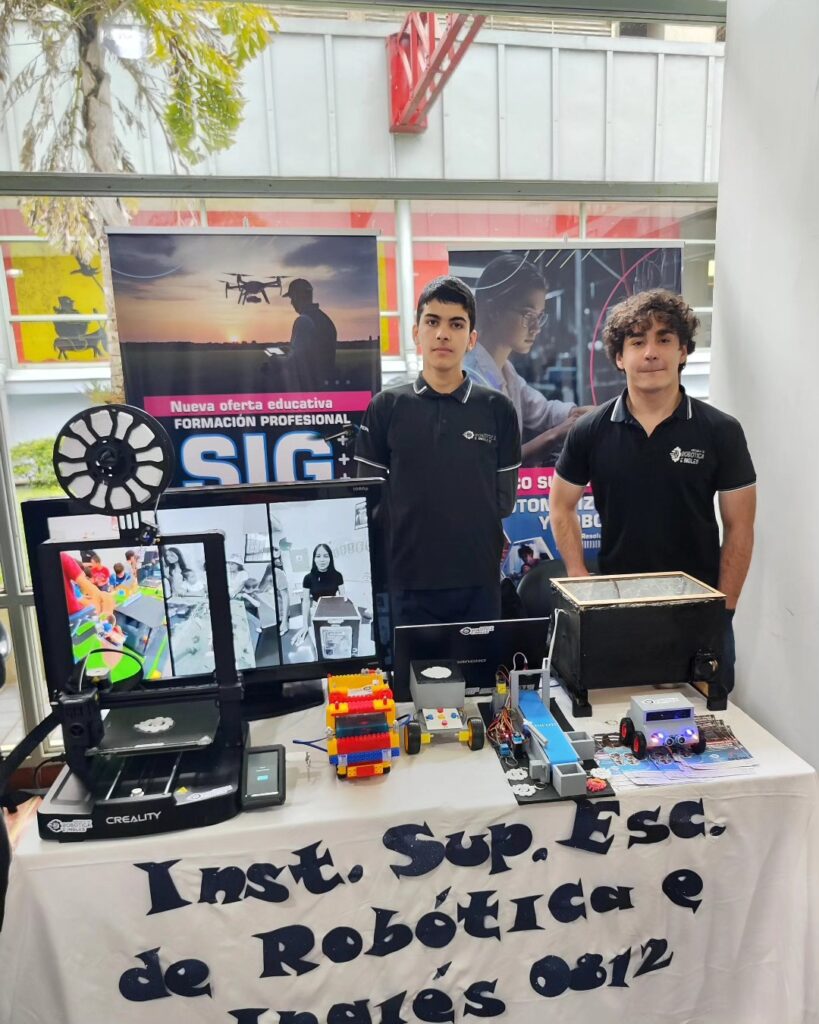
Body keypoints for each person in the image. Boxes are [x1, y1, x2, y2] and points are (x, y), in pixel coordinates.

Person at [550, 289, 756, 693]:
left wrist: (723, 609)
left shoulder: (721, 431)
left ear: (683, 351)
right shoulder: (590, 431)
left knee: (707, 722)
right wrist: (580, 578)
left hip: (698, 613)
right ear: (619, 356)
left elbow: (741, 527)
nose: (650, 353)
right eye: (637, 342)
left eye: (664, 339)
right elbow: (561, 507)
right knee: (618, 717)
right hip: (618, 612)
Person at [355, 275, 521, 627]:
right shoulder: (385, 408)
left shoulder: (498, 409)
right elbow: (369, 503)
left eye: (456, 324)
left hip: (478, 584)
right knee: (409, 667)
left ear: (472, 339)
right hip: (405, 585)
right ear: (416, 333)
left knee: (480, 666)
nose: (443, 334)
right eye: (432, 322)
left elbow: (503, 501)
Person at [465, 255, 593, 465]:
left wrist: (577, 413)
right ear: (493, 310)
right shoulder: (470, 379)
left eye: (539, 316)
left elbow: (542, 411)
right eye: (527, 315)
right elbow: (493, 461)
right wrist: (555, 435)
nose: (536, 328)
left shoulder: (506, 372)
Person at [279, 278, 337, 389]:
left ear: (297, 296)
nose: (291, 303)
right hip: (326, 387)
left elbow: (295, 359)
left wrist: (275, 363)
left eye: (292, 298)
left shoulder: (303, 320)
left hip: (309, 388)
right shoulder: (326, 319)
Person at [294, 544, 345, 645]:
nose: (322, 560)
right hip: (316, 611)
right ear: (314, 559)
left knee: (335, 642)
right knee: (319, 641)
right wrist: (304, 625)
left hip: (334, 613)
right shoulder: (308, 578)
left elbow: (343, 598)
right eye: (318, 556)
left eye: (325, 556)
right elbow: (306, 602)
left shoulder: (338, 575)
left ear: (330, 558)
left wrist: (342, 619)